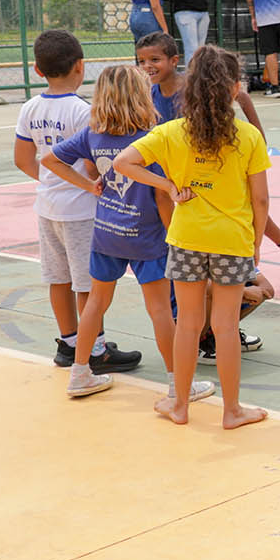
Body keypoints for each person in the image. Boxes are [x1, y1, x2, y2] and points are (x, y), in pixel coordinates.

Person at [113, 46, 272, 430]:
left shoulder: (171, 132)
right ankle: (232, 410)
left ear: (191, 89)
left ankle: (180, 405)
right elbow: (261, 198)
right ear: (235, 89)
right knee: (225, 325)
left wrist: (166, 184)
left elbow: (123, 163)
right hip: (232, 240)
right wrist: (256, 243)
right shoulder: (248, 136)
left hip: (186, 238)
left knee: (187, 322)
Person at [41, 64, 212, 405]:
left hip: (107, 231)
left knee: (96, 304)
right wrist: (174, 235)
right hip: (146, 234)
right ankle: (178, 383)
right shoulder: (153, 137)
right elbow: (163, 196)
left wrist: (90, 186)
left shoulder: (93, 134)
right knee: (160, 309)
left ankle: (80, 373)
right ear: (140, 96)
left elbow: (49, 160)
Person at [12, 32, 141, 376]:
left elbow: (23, 159)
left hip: (48, 205)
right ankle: (94, 348)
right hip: (81, 208)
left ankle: (69, 341)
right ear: (81, 66)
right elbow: (90, 164)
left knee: (58, 278)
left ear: (38, 70)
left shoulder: (30, 107)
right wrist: (88, 185)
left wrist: (50, 181)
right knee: (87, 282)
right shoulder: (84, 111)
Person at [141, 31, 280, 288]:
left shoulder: (195, 84)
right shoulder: (152, 95)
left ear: (174, 61)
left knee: (243, 203)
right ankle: (180, 249)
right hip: (181, 165)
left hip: (216, 158)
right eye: (142, 61)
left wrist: (257, 136)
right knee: (170, 198)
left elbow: (242, 96)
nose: (148, 66)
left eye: (154, 59)